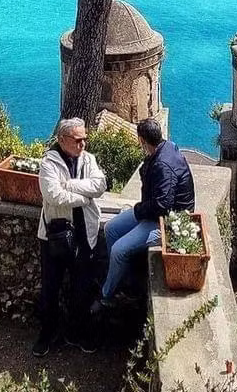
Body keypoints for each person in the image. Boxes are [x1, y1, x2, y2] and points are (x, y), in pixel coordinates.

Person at [93, 118, 194, 311]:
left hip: (167, 222)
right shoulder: (166, 148)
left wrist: (139, 211)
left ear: (141, 140)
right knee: (111, 229)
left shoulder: (163, 165)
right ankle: (123, 279)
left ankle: (107, 295)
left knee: (118, 250)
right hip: (151, 211)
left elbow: (162, 205)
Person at [33, 116, 107, 357]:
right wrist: (84, 197)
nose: (82, 144)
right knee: (50, 288)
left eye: (85, 139)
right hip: (55, 234)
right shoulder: (48, 164)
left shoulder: (89, 160)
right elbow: (54, 195)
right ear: (63, 140)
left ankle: (77, 333)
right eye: (77, 140)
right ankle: (47, 334)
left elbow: (100, 186)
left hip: (85, 234)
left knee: (82, 288)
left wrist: (70, 185)